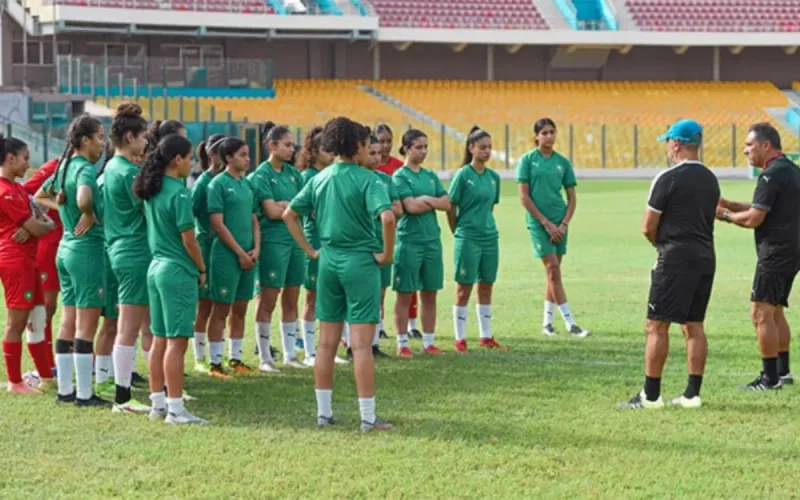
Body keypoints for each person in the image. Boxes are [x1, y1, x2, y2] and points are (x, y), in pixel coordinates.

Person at [283, 116, 396, 432]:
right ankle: (367, 418)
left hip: (328, 261)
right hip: (360, 262)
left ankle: (324, 414)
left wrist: (310, 250)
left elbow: (290, 214)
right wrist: (386, 255)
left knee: (326, 343)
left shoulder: (318, 179)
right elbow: (387, 218)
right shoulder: (368, 180)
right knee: (361, 345)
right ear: (358, 146)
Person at [618, 119, 719, 409]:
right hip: (705, 256)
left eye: (668, 142)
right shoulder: (711, 179)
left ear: (675, 144)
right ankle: (692, 393)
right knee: (694, 325)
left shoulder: (667, 178)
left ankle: (650, 395)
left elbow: (648, 226)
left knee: (656, 324)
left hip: (675, 257)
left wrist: (663, 247)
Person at [717, 122, 800, 391]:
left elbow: (754, 218)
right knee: (775, 310)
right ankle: (783, 371)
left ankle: (769, 378)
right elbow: (765, 209)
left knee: (761, 312)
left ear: (766, 146)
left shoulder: (769, 176)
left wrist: (725, 216)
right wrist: (730, 204)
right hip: (792, 250)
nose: (745, 151)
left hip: (775, 253)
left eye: (749, 145)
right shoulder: (790, 170)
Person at [134, 133, 208, 425]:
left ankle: (158, 404)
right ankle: (176, 409)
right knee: (176, 343)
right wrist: (202, 268)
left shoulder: (153, 189)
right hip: (177, 270)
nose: (191, 163)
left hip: (156, 267)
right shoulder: (178, 192)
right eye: (189, 157)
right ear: (178, 159)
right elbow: (189, 239)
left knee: (160, 340)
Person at [35, 114, 109, 406]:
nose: (103, 144)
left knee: (68, 320)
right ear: (85, 140)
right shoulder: (86, 169)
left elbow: (41, 195)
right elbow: (84, 199)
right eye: (100, 138)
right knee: (86, 324)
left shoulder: (64, 165)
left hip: (65, 248)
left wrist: (59, 205)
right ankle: (84, 394)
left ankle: (66, 389)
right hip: (86, 250)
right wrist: (88, 213)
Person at [516, 118, 589, 338]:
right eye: (544, 133)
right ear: (536, 136)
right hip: (539, 224)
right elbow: (524, 196)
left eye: (552, 132)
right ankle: (570, 323)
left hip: (559, 223)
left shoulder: (562, 163)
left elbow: (572, 198)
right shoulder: (527, 161)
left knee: (553, 273)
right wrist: (546, 224)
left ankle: (547, 323)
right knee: (553, 269)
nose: (549, 136)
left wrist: (563, 224)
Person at [102, 103, 153, 414]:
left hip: (124, 248)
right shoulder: (128, 171)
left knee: (143, 324)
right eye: (144, 136)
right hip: (134, 250)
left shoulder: (111, 167)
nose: (146, 142)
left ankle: (160, 386)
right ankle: (122, 397)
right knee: (129, 326)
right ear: (131, 136)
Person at [0, 136, 57, 394]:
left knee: (38, 316)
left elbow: (42, 221)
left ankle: (46, 375)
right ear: (10, 159)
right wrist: (38, 227)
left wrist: (38, 226)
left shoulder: (20, 190)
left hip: (29, 260)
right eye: (25, 157)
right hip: (15, 260)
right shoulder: (6, 192)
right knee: (17, 322)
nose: (27, 163)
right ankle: (15, 382)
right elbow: (40, 225)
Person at [248, 124, 306, 371]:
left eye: (293, 145)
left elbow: (305, 207)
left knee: (292, 297)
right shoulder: (261, 175)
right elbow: (271, 212)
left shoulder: (294, 174)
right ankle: (264, 357)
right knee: (269, 298)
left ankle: (290, 354)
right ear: (272, 146)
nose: (292, 149)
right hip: (273, 243)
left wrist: (287, 205)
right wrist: (287, 208)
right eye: (287, 145)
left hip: (295, 242)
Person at [447, 127, 507, 353]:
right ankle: (460, 339)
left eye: (489, 147)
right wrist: (459, 230)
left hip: (489, 237)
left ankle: (485, 335)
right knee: (464, 288)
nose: (487, 151)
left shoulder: (493, 178)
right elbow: (451, 207)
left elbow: (490, 207)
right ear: (471, 148)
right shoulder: (463, 175)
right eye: (482, 147)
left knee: (486, 284)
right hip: (468, 237)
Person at [392, 129, 450, 358]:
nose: (423, 151)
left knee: (430, 292)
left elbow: (446, 203)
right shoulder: (400, 176)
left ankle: (428, 342)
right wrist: (431, 202)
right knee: (405, 293)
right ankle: (402, 343)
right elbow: (411, 207)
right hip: (409, 241)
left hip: (432, 241)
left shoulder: (430, 176)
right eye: (419, 147)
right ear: (406, 148)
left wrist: (425, 200)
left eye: (426, 147)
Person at [206, 137, 260, 378]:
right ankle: (214, 362)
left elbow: (254, 219)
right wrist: (239, 253)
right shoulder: (217, 184)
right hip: (227, 256)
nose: (247, 159)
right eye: (242, 155)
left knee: (241, 307)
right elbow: (217, 224)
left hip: (249, 256)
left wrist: (256, 249)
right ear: (228, 158)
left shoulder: (247, 185)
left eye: (248, 154)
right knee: (221, 309)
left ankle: (235, 357)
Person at [295, 126, 343, 366]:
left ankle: (330, 349)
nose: (331, 154)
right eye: (326, 150)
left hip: (331, 241)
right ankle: (310, 352)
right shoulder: (307, 177)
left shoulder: (332, 173)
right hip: (315, 238)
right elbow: (305, 211)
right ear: (314, 151)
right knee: (312, 297)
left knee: (330, 296)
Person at [362, 131, 402, 359]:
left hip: (382, 242)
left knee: (379, 294)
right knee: (360, 295)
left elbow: (398, 209)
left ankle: (374, 342)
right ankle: (353, 343)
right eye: (372, 153)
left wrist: (379, 207)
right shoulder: (357, 179)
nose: (377, 157)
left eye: (379, 153)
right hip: (362, 244)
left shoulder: (386, 179)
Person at [22, 157, 62, 379]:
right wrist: (27, 223)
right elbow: (26, 192)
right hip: (48, 242)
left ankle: (83, 357)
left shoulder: (87, 166)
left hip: (69, 242)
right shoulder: (56, 166)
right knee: (46, 306)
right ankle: (45, 363)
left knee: (76, 305)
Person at [190, 133, 226, 372]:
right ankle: (200, 357)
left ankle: (216, 355)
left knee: (218, 303)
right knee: (203, 306)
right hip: (205, 245)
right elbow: (191, 213)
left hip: (220, 247)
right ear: (214, 155)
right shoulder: (203, 183)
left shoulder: (226, 180)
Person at [375, 123, 414, 339]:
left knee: (389, 283)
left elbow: (399, 206)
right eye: (380, 141)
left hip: (394, 232)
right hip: (372, 232)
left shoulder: (397, 169)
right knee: (375, 287)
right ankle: (378, 326)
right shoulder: (367, 169)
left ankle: (409, 324)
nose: (384, 146)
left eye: (388, 141)